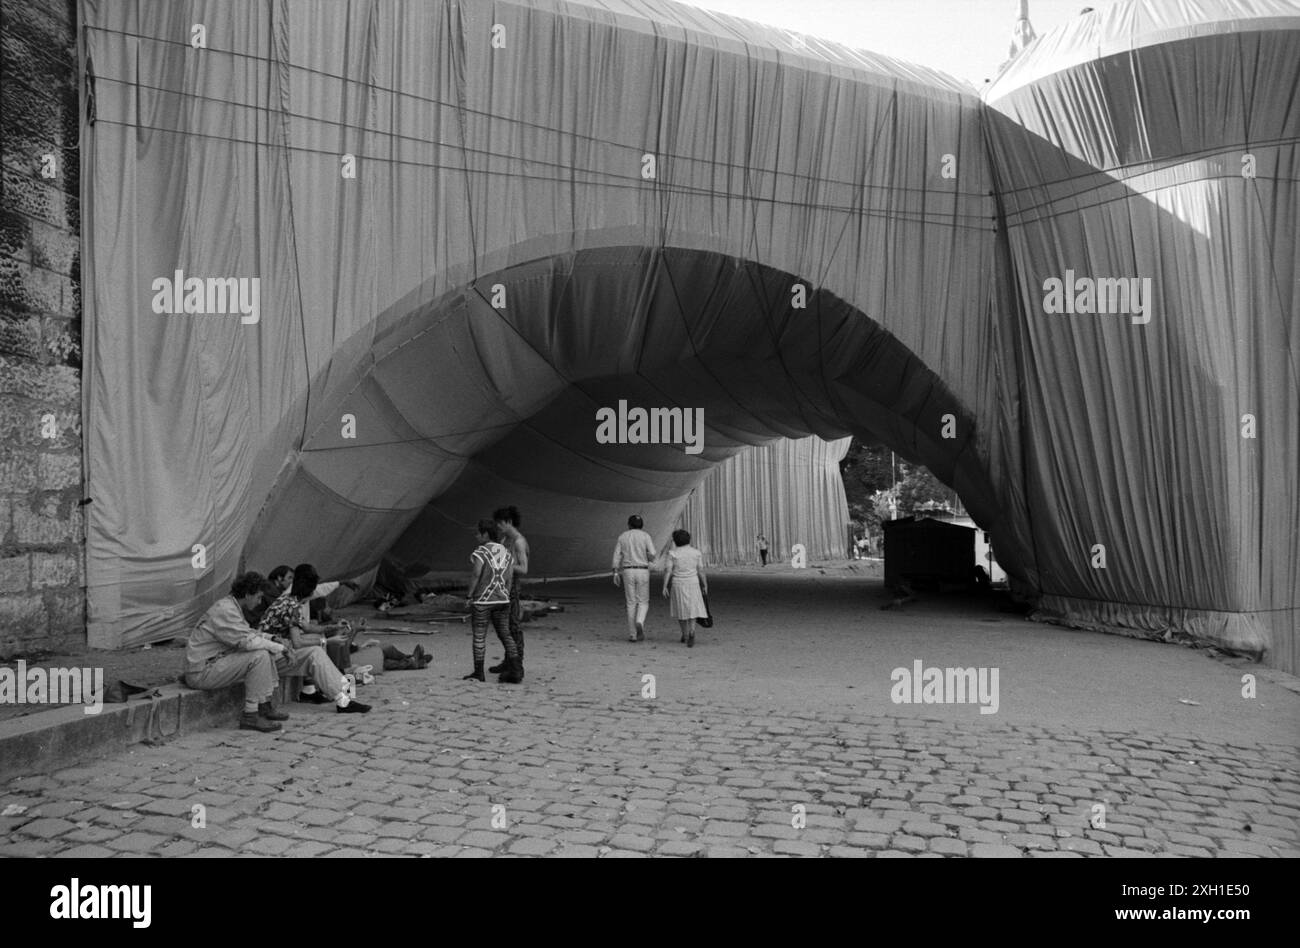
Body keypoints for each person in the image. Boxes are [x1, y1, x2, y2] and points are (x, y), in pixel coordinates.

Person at [182, 572, 290, 732]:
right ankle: (250, 716)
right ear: (247, 595)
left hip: (210, 664)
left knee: (265, 650)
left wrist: (272, 638)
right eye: (258, 597)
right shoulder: (225, 609)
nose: (260, 601)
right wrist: (281, 648)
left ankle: (264, 704)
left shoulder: (231, 606)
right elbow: (248, 641)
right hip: (201, 672)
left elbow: (246, 633)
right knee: (260, 655)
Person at [259, 568, 371, 713]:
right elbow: (297, 642)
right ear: (311, 592)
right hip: (269, 657)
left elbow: (305, 627)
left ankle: (322, 689)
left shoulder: (289, 601)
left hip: (274, 652)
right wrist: (328, 641)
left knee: (317, 642)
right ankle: (341, 698)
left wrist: (332, 627)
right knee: (316, 651)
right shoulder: (291, 606)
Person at [464, 519, 521, 684]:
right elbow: (509, 578)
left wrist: (469, 596)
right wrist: (505, 595)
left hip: (483, 600)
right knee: (505, 634)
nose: (476, 536)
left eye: (478, 533)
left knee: (479, 636)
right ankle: (516, 670)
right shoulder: (507, 553)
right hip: (502, 600)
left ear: (485, 534)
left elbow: (476, 575)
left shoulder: (481, 552)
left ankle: (478, 673)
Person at [492, 506, 530, 678]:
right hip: (502, 585)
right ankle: (508, 660)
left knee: (513, 625)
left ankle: (516, 664)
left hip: (512, 587)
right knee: (503, 626)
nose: (498, 527)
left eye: (500, 523)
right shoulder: (504, 539)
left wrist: (505, 565)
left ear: (508, 522)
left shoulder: (518, 542)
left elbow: (524, 569)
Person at [612, 514, 657, 642]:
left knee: (631, 603)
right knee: (643, 601)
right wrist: (647, 557)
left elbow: (617, 555)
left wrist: (615, 571)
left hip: (628, 571)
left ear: (629, 525)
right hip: (642, 570)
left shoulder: (623, 536)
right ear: (642, 525)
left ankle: (632, 634)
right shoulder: (645, 536)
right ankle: (640, 621)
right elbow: (653, 554)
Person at [664, 529, 709, 648]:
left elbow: (668, 571)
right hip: (693, 583)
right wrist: (704, 584)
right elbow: (701, 570)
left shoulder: (672, 553)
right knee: (692, 608)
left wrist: (664, 586)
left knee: (681, 609)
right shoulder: (696, 553)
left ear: (675, 541)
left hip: (678, 583)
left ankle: (684, 635)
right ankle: (692, 631)